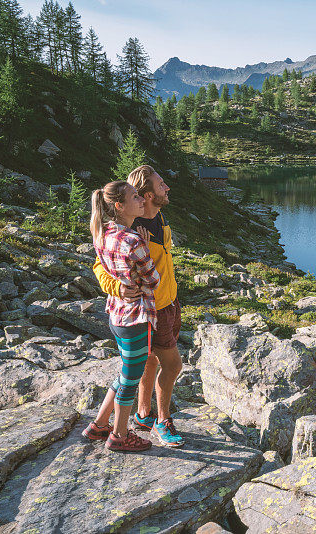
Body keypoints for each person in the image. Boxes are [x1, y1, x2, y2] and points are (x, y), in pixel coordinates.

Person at [92, 165, 185, 448]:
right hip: (148, 308)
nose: (166, 188)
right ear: (146, 195)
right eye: (161, 185)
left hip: (169, 302)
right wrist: (117, 287)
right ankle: (162, 420)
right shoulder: (131, 228)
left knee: (149, 361)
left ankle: (143, 415)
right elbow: (100, 265)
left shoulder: (160, 219)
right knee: (172, 365)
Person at [83, 180, 160, 452]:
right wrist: (146, 251)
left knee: (126, 371)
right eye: (135, 196)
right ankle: (119, 435)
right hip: (136, 318)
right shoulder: (133, 241)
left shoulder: (102, 232)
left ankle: (100, 424)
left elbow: (106, 268)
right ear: (119, 205)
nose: (141, 200)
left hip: (116, 316)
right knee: (130, 378)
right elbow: (153, 280)